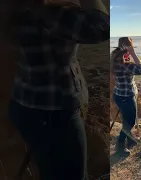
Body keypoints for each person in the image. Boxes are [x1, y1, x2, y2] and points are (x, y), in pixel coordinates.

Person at [8, 0, 109, 179]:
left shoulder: (17, 7)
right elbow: (102, 28)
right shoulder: (55, 13)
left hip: (24, 103)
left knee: (50, 170)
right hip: (55, 113)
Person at [111, 37, 141, 155]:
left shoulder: (115, 57)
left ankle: (130, 141)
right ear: (128, 47)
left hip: (119, 94)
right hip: (126, 97)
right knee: (129, 123)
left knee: (128, 119)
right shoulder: (124, 64)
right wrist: (133, 53)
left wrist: (127, 54)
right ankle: (120, 145)